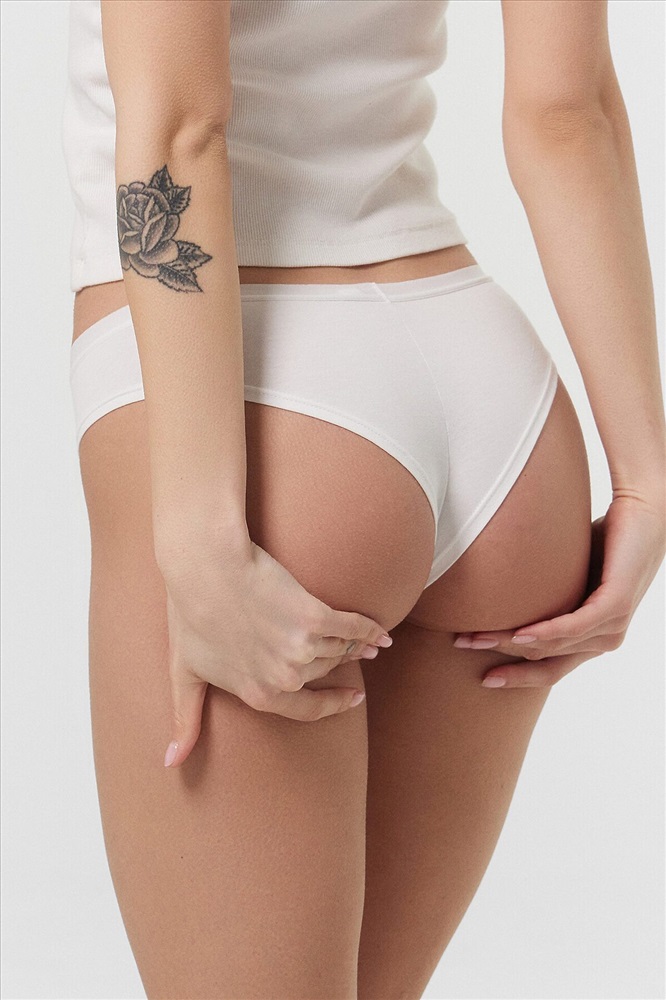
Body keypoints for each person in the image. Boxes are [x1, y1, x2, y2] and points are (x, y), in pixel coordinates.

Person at [62, 1, 665, 997]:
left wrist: (202, 535)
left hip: (269, 422)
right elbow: (568, 112)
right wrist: (643, 471)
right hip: (493, 395)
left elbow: (177, 130)